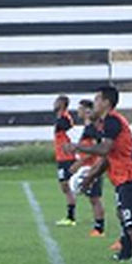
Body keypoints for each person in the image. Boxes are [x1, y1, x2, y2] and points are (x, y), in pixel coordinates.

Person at [72, 86, 132, 264]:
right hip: (127, 182)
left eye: (97, 99)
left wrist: (77, 147)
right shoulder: (108, 123)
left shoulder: (112, 120)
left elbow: (103, 149)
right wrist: (90, 177)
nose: (94, 104)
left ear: (107, 102)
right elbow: (108, 158)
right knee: (131, 227)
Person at [69, 99, 107, 239]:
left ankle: (99, 228)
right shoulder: (88, 127)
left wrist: (79, 163)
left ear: (86, 111)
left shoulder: (92, 128)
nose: (78, 112)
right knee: (93, 199)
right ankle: (98, 227)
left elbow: (95, 148)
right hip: (90, 166)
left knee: (95, 198)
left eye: (80, 109)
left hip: (93, 166)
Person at [52, 95, 78, 226]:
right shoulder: (61, 118)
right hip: (62, 158)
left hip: (67, 158)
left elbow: (73, 135)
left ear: (62, 104)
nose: (54, 104)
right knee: (66, 187)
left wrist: (74, 150)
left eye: (56, 102)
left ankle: (71, 217)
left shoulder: (64, 119)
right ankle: (70, 216)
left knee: (67, 186)